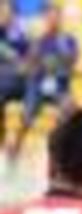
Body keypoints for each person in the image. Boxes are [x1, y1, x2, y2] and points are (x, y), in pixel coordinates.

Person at [8, 3, 76, 163]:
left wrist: (53, 60)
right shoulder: (39, 41)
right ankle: (16, 146)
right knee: (28, 110)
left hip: (59, 87)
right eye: (50, 17)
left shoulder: (67, 40)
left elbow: (70, 62)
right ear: (45, 19)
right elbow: (30, 64)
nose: (53, 21)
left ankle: (61, 152)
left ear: (61, 19)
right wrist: (40, 60)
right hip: (39, 86)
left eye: (56, 17)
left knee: (69, 108)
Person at [0, 0, 29, 155]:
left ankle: (13, 143)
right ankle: (6, 142)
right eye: (1, 11)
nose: (3, 15)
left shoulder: (19, 33)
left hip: (17, 81)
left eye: (6, 11)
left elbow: (27, 59)